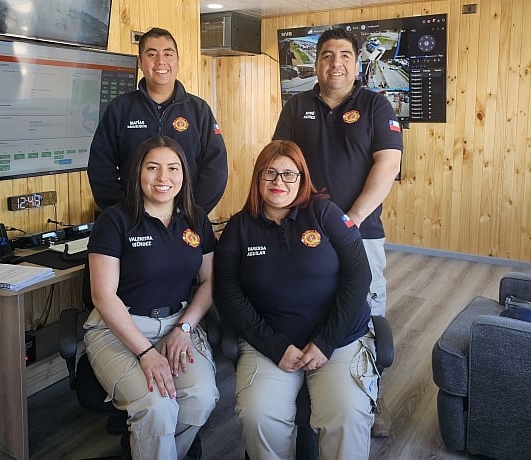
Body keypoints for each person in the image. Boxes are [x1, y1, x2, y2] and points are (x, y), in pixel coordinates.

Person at [272, 27, 403, 436]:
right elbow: (279, 162)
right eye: (328, 55)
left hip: (360, 233)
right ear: (317, 63)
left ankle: (370, 394)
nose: (336, 63)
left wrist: (351, 219)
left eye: (344, 55)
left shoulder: (375, 106)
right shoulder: (296, 107)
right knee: (311, 305)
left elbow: (388, 166)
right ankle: (311, 384)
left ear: (357, 61)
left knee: (365, 310)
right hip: (303, 233)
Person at [213, 140, 378, 459]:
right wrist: (274, 346)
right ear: (257, 178)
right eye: (270, 173)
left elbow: (358, 277)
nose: (278, 182)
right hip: (269, 344)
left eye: (289, 174)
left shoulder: (325, 213)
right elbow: (228, 292)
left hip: (338, 341)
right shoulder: (239, 227)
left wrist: (327, 341)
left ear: (303, 178)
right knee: (258, 414)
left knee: (347, 413)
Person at [83, 135, 219, 459]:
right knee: (156, 407)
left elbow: (209, 280)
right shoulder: (114, 220)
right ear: (137, 172)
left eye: (173, 168)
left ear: (184, 174)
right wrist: (146, 352)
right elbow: (103, 296)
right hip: (120, 327)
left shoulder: (196, 218)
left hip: (177, 323)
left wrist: (184, 329)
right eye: (153, 168)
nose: (163, 178)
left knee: (201, 396)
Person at [88, 27, 228, 214]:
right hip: (131, 223)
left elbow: (216, 170)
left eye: (168, 54)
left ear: (177, 61)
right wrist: (124, 212)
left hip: (185, 223)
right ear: (140, 62)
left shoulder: (199, 110)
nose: (160, 61)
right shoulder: (120, 109)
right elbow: (100, 166)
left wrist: (190, 212)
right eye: (152, 54)